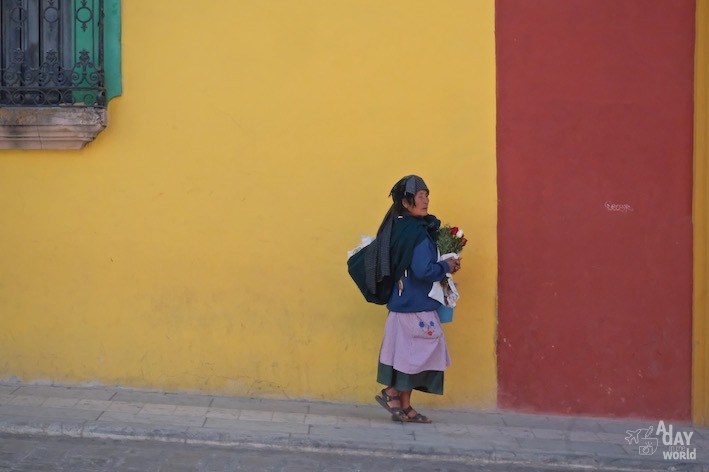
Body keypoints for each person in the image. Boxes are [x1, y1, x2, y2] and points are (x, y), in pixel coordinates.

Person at [368, 175, 461, 423]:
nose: (426, 200)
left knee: (409, 356)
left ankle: (406, 407)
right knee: (425, 350)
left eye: (426, 195)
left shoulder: (401, 228)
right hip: (414, 307)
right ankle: (391, 392)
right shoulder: (417, 234)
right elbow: (423, 270)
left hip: (404, 305)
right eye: (419, 196)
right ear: (405, 202)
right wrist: (447, 265)